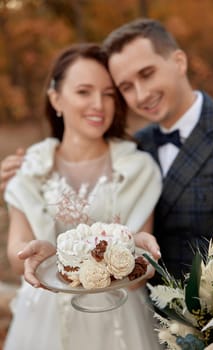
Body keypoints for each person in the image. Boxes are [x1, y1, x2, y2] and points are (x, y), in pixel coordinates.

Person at [3, 18, 213, 280]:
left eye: (147, 74)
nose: (141, 94)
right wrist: (15, 183)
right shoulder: (138, 146)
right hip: (149, 306)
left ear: (179, 62)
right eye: (125, 87)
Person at [2, 42, 162, 350]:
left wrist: (140, 261)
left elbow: (141, 261)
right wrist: (36, 255)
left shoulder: (138, 169)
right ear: (56, 99)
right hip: (43, 317)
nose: (98, 105)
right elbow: (16, 251)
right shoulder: (29, 168)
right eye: (84, 91)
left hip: (121, 320)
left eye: (108, 93)